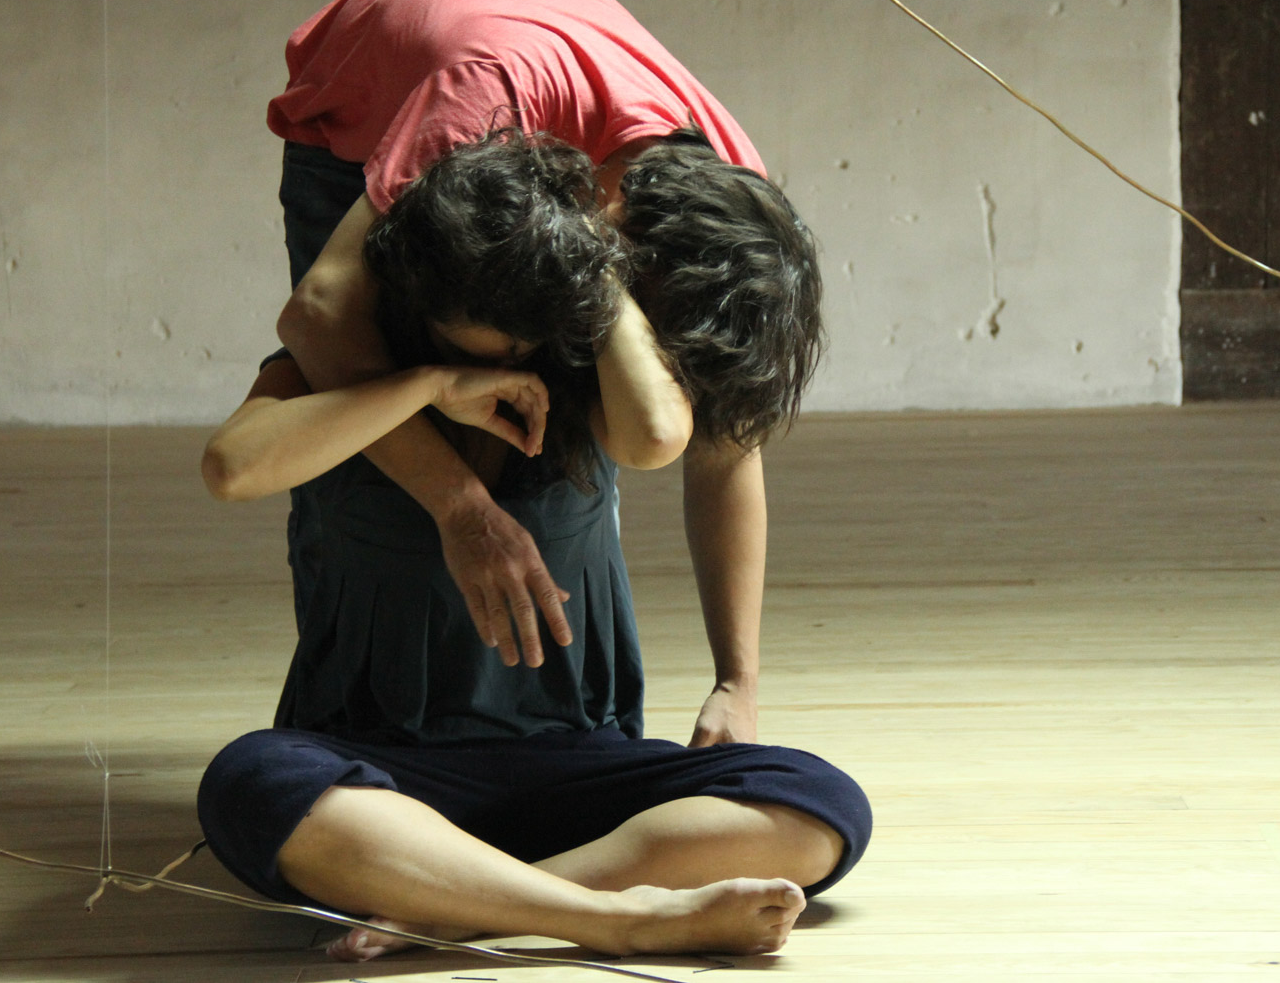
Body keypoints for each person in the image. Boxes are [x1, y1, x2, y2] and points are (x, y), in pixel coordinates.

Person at [196, 131, 870, 960]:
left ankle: (458, 905)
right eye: (463, 347)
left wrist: (596, 272)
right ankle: (612, 918)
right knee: (253, 783)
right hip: (382, 770)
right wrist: (429, 387)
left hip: (577, 759)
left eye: (519, 347)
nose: (506, 363)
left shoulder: (579, 370)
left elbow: (659, 434)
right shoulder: (341, 374)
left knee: (817, 802)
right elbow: (232, 467)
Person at [267, 0, 824, 747]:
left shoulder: (732, 201)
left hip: (559, 139)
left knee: (566, 453)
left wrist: (737, 682)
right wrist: (461, 508)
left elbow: (722, 438)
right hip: (374, 113)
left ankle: (566, 726)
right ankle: (351, 722)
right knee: (379, 470)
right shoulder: (477, 101)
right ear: (610, 228)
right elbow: (318, 317)